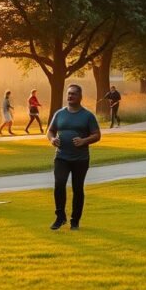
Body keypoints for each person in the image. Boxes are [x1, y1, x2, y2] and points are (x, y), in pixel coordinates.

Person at [47, 84, 101, 230]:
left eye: (74, 94)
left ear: (80, 97)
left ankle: (75, 221)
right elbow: (50, 131)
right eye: (69, 94)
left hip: (80, 159)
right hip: (61, 157)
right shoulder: (60, 114)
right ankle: (60, 217)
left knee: (78, 189)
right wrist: (52, 140)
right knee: (59, 184)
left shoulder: (87, 116)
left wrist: (84, 141)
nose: (70, 96)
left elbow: (97, 135)